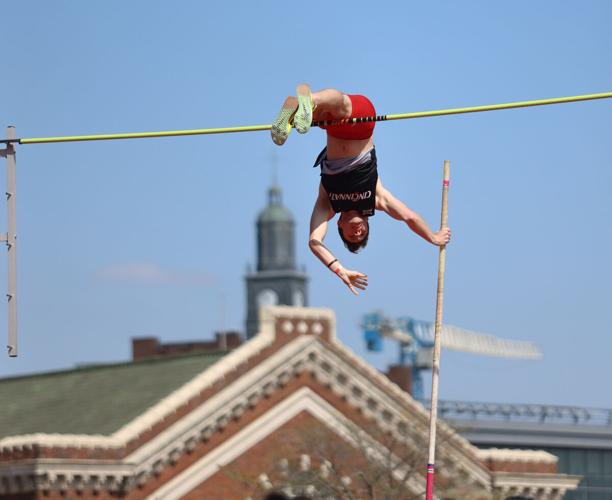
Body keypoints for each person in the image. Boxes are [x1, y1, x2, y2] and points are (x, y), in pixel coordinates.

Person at [271, 84, 451, 295]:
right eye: (362, 234)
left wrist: (340, 270)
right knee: (342, 106)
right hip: (361, 125)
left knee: (324, 117)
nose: (358, 232)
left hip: (335, 129)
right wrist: (433, 237)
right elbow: (409, 217)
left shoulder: (328, 204)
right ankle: (309, 102)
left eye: (352, 237)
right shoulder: (376, 199)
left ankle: (298, 111)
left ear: (339, 225)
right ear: (367, 222)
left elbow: (314, 242)